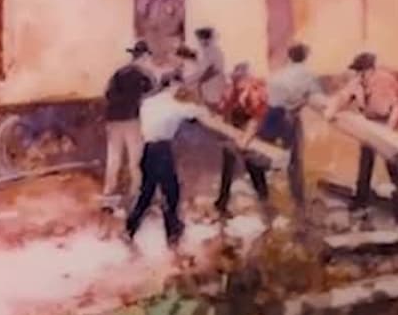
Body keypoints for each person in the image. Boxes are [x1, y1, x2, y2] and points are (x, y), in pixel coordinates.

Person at [126, 77, 208, 246]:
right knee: (171, 192)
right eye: (180, 86)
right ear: (173, 86)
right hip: (162, 150)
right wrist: (194, 98)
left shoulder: (148, 102)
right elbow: (199, 113)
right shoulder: (174, 105)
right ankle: (172, 230)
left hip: (147, 149)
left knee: (147, 192)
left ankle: (131, 226)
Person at [329, 52, 398, 219]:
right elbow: (343, 97)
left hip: (387, 123)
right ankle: (361, 199)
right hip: (370, 124)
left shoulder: (385, 80)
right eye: (357, 71)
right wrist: (332, 110)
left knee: (394, 165)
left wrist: (389, 129)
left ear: (371, 70)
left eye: (362, 71)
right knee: (365, 161)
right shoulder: (357, 82)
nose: (359, 75)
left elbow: (397, 105)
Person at [254, 43, 324, 212]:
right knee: (295, 160)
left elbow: (268, 95)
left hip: (270, 114)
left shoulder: (280, 73)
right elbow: (317, 98)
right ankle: (298, 201)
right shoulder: (308, 74)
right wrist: (303, 101)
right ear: (305, 57)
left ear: (290, 57)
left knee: (261, 152)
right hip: (288, 116)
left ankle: (263, 194)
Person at [102, 41, 156, 207]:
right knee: (135, 158)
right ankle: (136, 193)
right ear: (144, 57)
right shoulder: (144, 75)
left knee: (114, 157)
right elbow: (152, 94)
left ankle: (109, 192)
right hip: (132, 119)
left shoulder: (119, 73)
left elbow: (107, 94)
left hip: (113, 119)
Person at [213, 63, 271, 214]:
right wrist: (225, 130)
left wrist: (245, 139)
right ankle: (222, 202)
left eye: (240, 79)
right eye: (236, 78)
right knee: (228, 166)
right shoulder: (230, 90)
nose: (238, 82)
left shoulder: (254, 92)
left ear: (247, 78)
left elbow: (256, 119)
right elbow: (222, 110)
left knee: (254, 167)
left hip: (248, 130)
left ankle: (265, 200)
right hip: (233, 129)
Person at [194, 28, 230, 109]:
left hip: (215, 81)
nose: (201, 42)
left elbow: (216, 69)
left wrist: (202, 79)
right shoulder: (205, 51)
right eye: (199, 39)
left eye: (203, 38)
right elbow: (203, 68)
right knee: (207, 103)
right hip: (208, 83)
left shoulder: (215, 51)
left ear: (208, 39)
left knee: (214, 103)